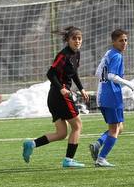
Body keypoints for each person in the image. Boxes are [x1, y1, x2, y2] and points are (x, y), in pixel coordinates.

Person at [22, 26, 88, 168]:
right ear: (68, 40)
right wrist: (62, 88)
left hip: (55, 97)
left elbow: (74, 73)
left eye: (79, 38)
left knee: (61, 133)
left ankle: (31, 144)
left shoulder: (76, 54)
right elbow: (50, 74)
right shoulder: (63, 55)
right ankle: (68, 160)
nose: (77, 41)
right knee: (77, 126)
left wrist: (81, 89)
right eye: (74, 38)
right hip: (59, 96)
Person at [89, 29, 134, 168]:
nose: (124, 43)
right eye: (121, 40)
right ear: (113, 41)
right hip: (112, 96)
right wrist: (129, 83)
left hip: (103, 95)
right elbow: (111, 76)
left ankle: (98, 143)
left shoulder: (108, 53)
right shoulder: (117, 56)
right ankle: (101, 159)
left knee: (119, 127)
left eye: (126, 40)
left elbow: (98, 72)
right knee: (115, 129)